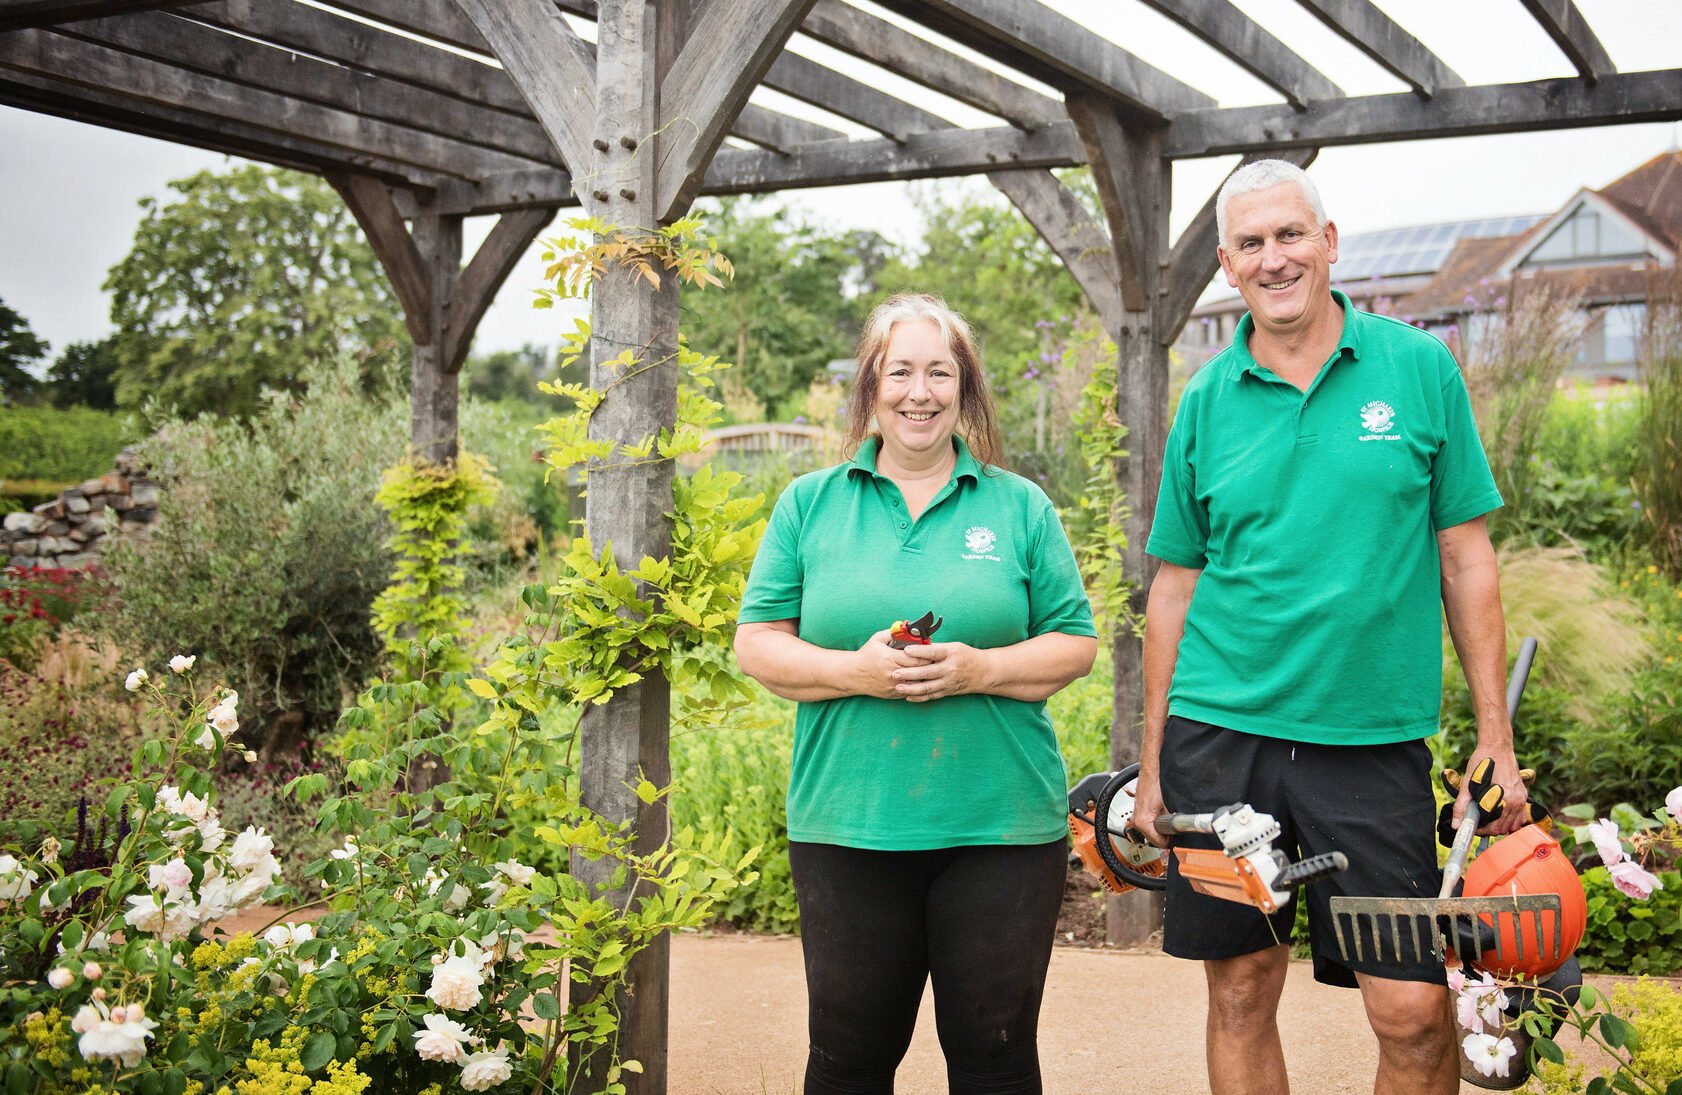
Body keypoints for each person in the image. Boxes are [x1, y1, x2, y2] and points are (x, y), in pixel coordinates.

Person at [1128, 159, 1529, 1095]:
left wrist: (1495, 736)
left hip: (1371, 742)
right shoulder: (1206, 404)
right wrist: (1153, 764)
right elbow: (1173, 589)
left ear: (1329, 242)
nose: (1275, 259)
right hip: (1223, 741)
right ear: (1228, 264)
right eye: (1253, 244)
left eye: (1291, 235)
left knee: (1415, 1014)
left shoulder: (1419, 370)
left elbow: (1466, 559)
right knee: (1240, 991)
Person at [733, 292, 1097, 1095]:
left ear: (965, 389)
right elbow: (755, 643)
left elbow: (1076, 644)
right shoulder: (810, 503)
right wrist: (853, 671)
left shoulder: (1019, 506)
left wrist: (979, 669)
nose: (919, 392)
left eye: (940, 372)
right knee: (848, 1058)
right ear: (870, 385)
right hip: (850, 825)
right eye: (900, 371)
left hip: (999, 827)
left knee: (995, 1057)